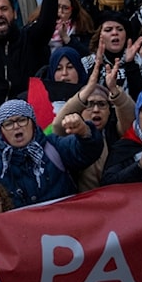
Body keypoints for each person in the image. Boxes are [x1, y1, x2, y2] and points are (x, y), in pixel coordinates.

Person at [0, 99, 103, 208]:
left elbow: (87, 153)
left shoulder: (54, 147)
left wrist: (84, 132)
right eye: (8, 123)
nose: (16, 126)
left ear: (32, 123)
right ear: (2, 131)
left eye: (21, 120)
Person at [51, 51, 137, 190]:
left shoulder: (115, 133)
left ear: (110, 111)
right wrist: (87, 90)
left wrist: (114, 91)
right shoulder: (72, 137)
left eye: (102, 104)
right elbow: (58, 126)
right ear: (80, 109)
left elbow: (130, 120)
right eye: (90, 104)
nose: (96, 110)